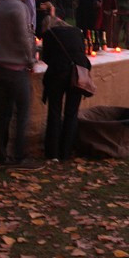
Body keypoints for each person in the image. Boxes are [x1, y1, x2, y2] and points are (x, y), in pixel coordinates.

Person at [0, 0, 43, 170]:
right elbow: (25, 37)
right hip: (16, 69)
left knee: (1, 113)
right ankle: (20, 156)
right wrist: (31, 60)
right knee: (22, 114)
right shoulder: (19, 8)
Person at [41, 18, 91, 161]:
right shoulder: (77, 32)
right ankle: (66, 151)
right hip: (78, 73)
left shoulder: (50, 34)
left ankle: (53, 153)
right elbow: (82, 51)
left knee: (54, 112)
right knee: (72, 113)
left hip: (58, 73)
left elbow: (46, 57)